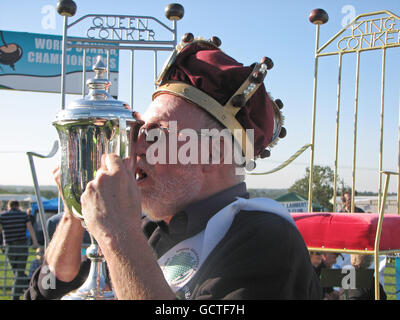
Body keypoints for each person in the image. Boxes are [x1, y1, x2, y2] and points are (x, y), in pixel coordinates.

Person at [25, 34, 322, 300]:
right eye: (137, 131)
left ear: (212, 152)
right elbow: (47, 292)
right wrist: (73, 213)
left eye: (155, 134)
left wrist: (119, 237)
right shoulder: (148, 228)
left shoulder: (267, 240)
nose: (134, 144)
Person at [0, 200, 39, 300]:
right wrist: (35, 242)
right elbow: (30, 228)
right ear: (18, 206)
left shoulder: (3, 215)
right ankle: (31, 287)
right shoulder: (23, 215)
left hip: (9, 247)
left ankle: (15, 297)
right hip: (22, 247)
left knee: (17, 273)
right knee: (19, 273)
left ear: (9, 206)